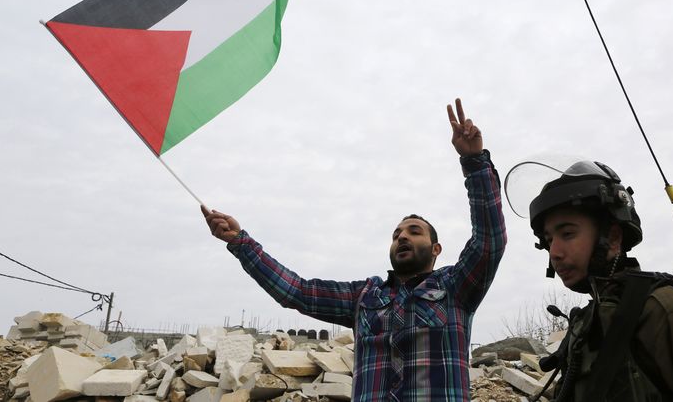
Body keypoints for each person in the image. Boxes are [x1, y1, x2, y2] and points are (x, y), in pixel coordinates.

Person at [202, 98, 506, 401]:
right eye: (396, 234)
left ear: (436, 248)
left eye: (414, 232)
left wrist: (475, 163)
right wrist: (240, 242)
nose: (402, 238)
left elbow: (489, 241)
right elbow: (296, 291)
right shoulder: (365, 297)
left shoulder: (455, 288)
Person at [524, 160, 673, 401]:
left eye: (567, 234)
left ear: (614, 237)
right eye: (548, 240)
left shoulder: (671, 310)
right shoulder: (589, 322)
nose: (554, 252)